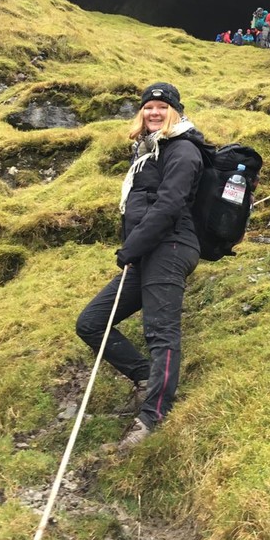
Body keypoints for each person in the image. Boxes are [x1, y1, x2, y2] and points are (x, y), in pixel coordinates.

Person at [76, 83, 203, 453]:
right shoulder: (148, 151)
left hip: (171, 246)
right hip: (148, 251)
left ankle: (153, 417)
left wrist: (132, 247)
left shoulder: (183, 149)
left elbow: (168, 205)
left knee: (160, 332)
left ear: (175, 112)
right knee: (91, 322)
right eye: (149, 106)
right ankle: (146, 375)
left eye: (163, 107)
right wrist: (135, 249)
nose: (154, 112)